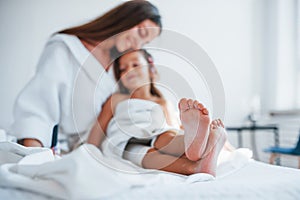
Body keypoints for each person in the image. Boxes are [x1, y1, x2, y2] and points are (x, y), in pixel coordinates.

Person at [9, 0, 162, 151]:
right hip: (58, 147)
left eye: (144, 43)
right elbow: (39, 106)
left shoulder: (118, 68)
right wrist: (33, 155)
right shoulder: (66, 49)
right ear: (126, 18)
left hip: (103, 148)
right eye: (142, 33)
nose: (137, 46)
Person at [87, 49, 228, 176]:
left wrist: (191, 132)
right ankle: (195, 159)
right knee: (144, 155)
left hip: (157, 131)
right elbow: (98, 130)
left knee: (167, 137)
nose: (129, 70)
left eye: (135, 65)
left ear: (151, 69)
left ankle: (193, 152)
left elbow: (173, 127)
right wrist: (88, 152)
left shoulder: (163, 103)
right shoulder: (117, 99)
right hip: (125, 139)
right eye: (123, 70)